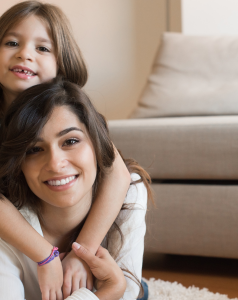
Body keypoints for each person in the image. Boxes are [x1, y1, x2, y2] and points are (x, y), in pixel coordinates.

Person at [0, 1, 133, 299]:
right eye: (11, 42)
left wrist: (81, 254)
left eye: (42, 48)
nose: (25, 54)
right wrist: (45, 255)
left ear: (61, 66)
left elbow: (118, 174)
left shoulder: (68, 108)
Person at [0, 77, 152, 300]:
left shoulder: (130, 193)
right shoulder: (8, 223)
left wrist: (86, 254)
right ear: (18, 164)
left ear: (97, 143)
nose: (55, 163)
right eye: (34, 149)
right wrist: (110, 292)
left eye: (70, 141)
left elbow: (129, 293)